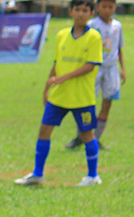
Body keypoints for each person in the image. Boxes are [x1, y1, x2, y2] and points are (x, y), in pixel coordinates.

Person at [15, 0, 102, 187]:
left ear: (91, 13)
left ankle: (93, 176)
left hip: (82, 97)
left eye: (85, 10)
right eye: (77, 9)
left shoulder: (94, 37)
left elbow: (90, 66)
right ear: (70, 11)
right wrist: (47, 88)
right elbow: (57, 63)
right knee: (44, 130)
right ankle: (37, 174)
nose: (80, 13)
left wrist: (64, 78)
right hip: (59, 96)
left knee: (87, 134)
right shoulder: (62, 35)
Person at [66, 0, 125, 150]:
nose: (107, 10)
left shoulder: (117, 26)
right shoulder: (92, 24)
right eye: (104, 6)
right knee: (86, 103)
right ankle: (82, 136)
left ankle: (96, 138)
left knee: (107, 104)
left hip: (111, 69)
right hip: (94, 68)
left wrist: (122, 68)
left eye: (110, 7)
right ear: (97, 7)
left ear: (114, 8)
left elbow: (119, 48)